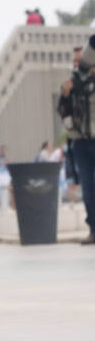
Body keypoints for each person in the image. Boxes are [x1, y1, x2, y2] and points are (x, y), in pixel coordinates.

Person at [58, 38, 95, 244]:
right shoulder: (71, 84)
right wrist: (65, 95)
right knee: (88, 188)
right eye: (76, 61)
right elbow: (62, 113)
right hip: (80, 142)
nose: (78, 65)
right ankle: (93, 229)